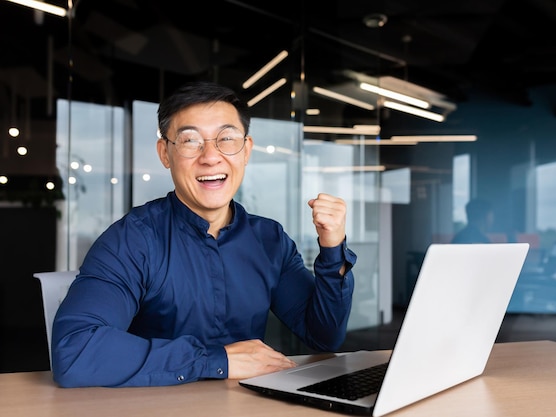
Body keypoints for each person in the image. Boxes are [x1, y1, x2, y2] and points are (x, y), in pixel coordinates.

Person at [51, 81, 357, 388]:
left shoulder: (269, 240)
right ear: (165, 153)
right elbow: (75, 350)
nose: (210, 156)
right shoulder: (132, 240)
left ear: (246, 150)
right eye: (190, 141)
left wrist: (333, 249)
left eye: (226, 138)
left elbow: (323, 336)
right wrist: (217, 360)